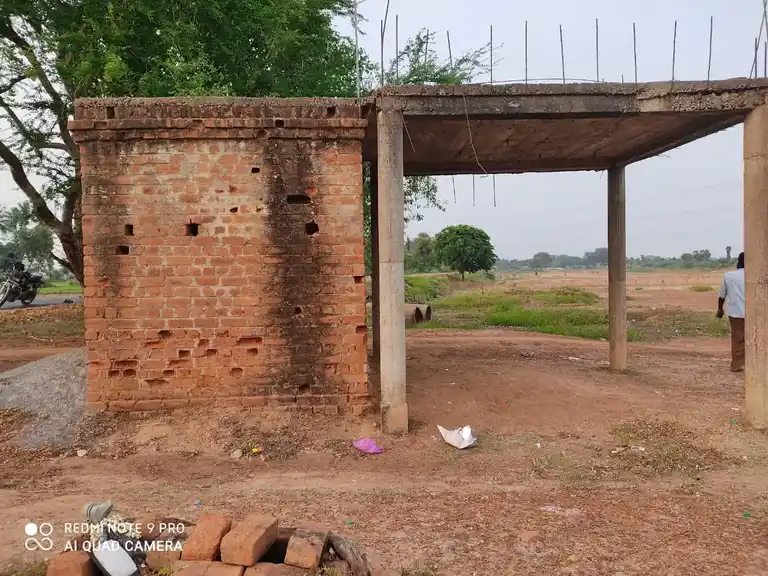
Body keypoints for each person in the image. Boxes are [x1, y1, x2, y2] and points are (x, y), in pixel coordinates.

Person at [717, 252, 745, 372]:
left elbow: (722, 295)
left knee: (738, 339)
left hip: (736, 313)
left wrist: (720, 308)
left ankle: (736, 365)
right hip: (756, 313)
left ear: (738, 261)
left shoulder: (729, 276)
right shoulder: (757, 275)